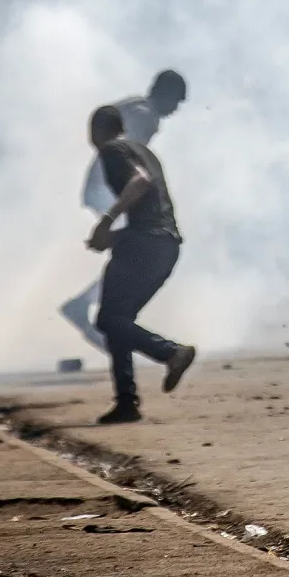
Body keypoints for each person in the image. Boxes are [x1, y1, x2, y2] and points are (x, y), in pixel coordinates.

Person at [84, 103, 195, 424]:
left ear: (97, 132)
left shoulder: (113, 150)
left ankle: (170, 352)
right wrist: (111, 239)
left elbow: (139, 183)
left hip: (145, 244)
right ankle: (127, 403)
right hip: (166, 246)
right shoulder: (144, 150)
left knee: (107, 319)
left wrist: (106, 221)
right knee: (119, 321)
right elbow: (152, 212)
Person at [62, 71, 187, 350]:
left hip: (106, 186)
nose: (176, 109)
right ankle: (93, 309)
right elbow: (131, 162)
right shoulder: (145, 115)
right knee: (134, 254)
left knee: (130, 254)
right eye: (176, 101)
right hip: (111, 188)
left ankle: (89, 307)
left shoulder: (136, 105)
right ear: (164, 93)